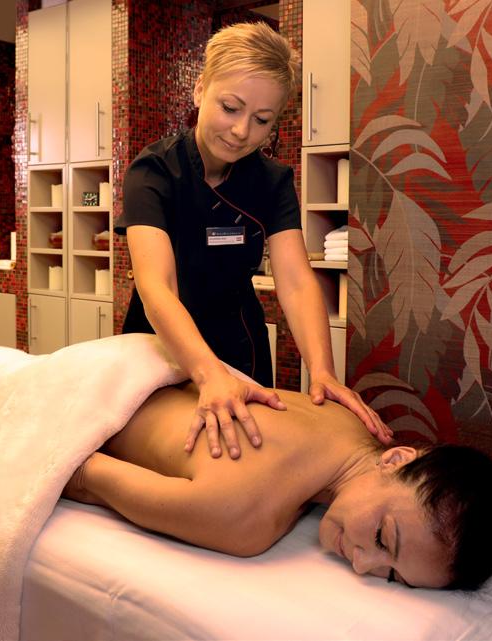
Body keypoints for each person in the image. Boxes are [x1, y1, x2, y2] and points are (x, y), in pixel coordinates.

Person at [116, 21, 391, 460]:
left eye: (262, 120)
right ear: (200, 90)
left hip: (240, 344)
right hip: (161, 347)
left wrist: (322, 371)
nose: (242, 131)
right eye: (230, 107)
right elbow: (157, 287)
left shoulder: (271, 181)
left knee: (248, 457)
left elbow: (296, 282)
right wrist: (207, 374)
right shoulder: (154, 172)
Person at [64, 382, 492, 589]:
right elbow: (82, 472)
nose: (364, 565)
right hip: (88, 395)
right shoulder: (244, 519)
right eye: (382, 538)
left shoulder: (348, 419)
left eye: (391, 576)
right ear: (396, 458)